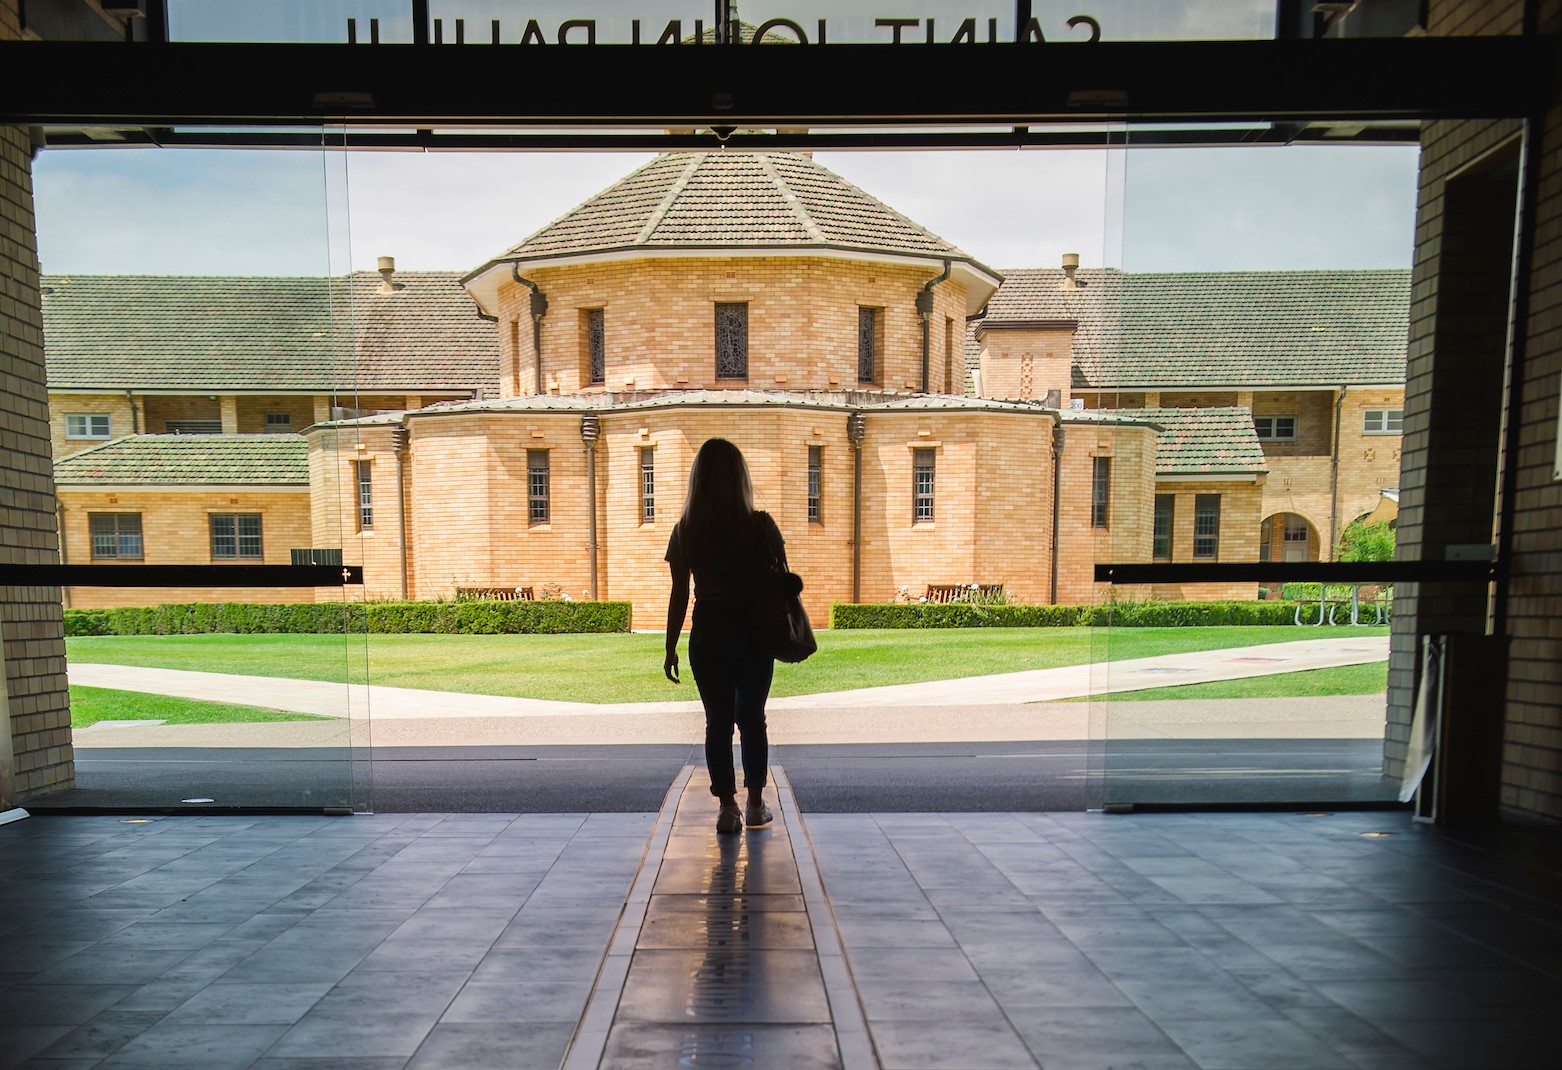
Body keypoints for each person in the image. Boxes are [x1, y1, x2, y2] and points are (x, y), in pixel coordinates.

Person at [664, 438, 783, 834]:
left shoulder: (687, 530)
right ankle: (754, 803)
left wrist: (669, 647)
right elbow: (781, 583)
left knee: (717, 723)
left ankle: (727, 808)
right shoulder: (761, 525)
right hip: (752, 630)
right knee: (752, 720)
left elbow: (680, 592)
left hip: (710, 629)